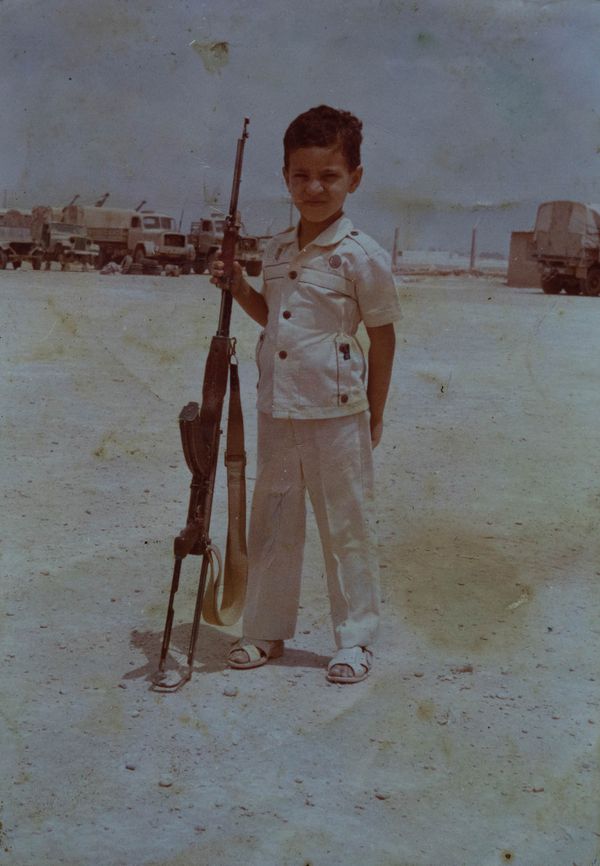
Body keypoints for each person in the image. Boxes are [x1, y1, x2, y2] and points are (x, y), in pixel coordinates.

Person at [211, 105, 401, 684]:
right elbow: (271, 317)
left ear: (354, 178)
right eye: (301, 175)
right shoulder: (274, 250)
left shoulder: (362, 255)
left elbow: (383, 336)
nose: (314, 188)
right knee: (273, 519)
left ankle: (356, 640)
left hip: (338, 411)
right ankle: (265, 630)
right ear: (285, 176)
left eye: (329, 176)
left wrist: (375, 412)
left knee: (346, 524)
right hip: (278, 407)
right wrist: (238, 286)